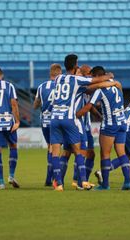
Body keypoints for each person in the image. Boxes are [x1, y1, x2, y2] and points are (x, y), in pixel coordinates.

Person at [50, 54, 114, 191]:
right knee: (79, 151)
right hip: (69, 118)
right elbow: (97, 80)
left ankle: (59, 184)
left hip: (54, 117)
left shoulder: (58, 78)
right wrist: (109, 76)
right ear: (75, 66)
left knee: (55, 152)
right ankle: (83, 181)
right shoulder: (77, 80)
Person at [77, 66, 130, 190]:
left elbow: (89, 106)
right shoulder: (116, 85)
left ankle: (105, 184)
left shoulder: (100, 90)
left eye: (92, 77)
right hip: (122, 122)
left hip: (110, 124)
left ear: (97, 77)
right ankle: (128, 181)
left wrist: (76, 115)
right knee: (122, 153)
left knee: (105, 154)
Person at [33, 63, 62, 187]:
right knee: (55, 148)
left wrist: (43, 105)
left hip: (45, 121)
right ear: (60, 73)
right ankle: (52, 178)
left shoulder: (41, 86)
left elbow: (35, 105)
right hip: (57, 120)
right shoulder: (62, 86)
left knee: (50, 147)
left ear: (50, 73)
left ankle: (48, 178)